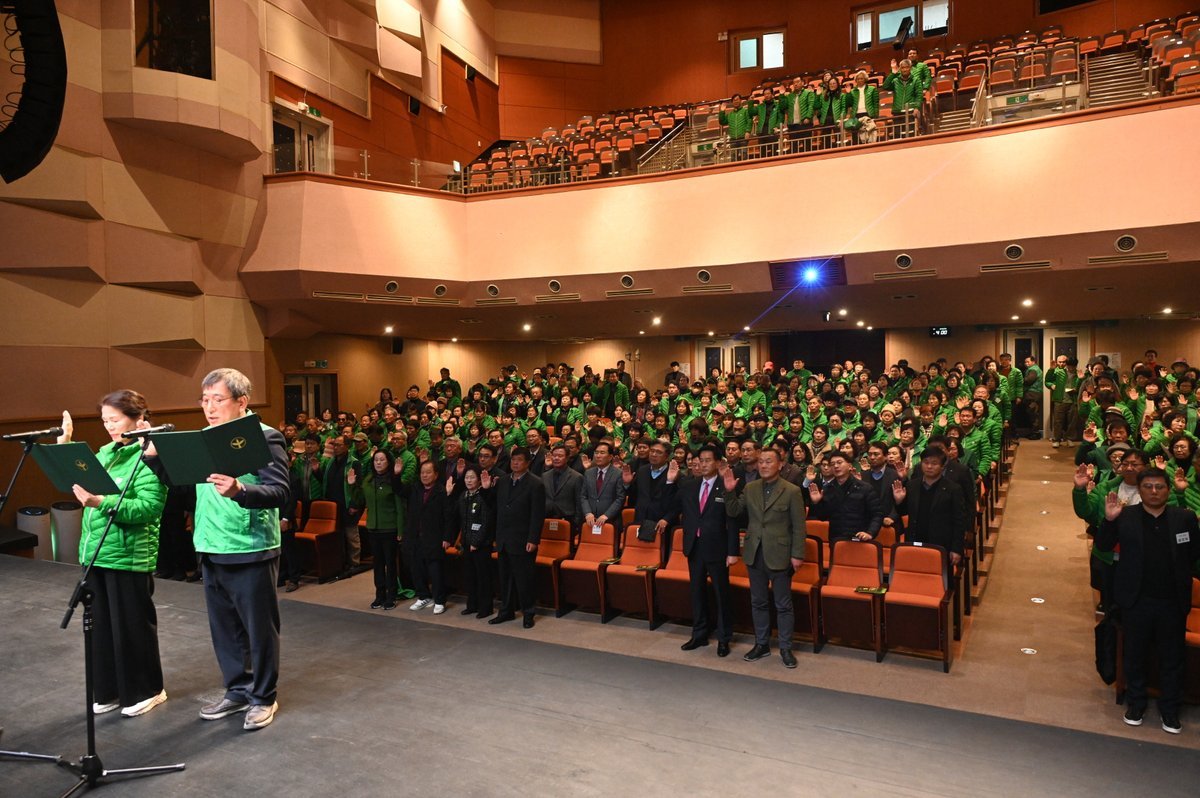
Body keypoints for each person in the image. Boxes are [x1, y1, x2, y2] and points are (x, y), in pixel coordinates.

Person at [151, 368, 290, 731]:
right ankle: (238, 690)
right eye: (205, 400)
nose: (209, 408)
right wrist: (154, 459)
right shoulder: (204, 440)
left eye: (218, 399)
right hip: (211, 546)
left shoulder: (265, 437)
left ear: (242, 401)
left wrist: (241, 491)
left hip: (251, 547)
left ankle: (263, 697)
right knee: (225, 630)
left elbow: (280, 491)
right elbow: (184, 489)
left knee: (258, 630)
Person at [57, 392, 168, 718]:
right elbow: (77, 483)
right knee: (101, 629)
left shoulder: (149, 455)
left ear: (138, 419)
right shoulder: (105, 453)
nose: (109, 426)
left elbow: (149, 507)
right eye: (105, 420)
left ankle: (148, 690)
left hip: (129, 556)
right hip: (96, 552)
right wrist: (65, 444)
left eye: (115, 419)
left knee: (132, 628)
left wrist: (100, 502)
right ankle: (109, 690)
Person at [1097, 469, 1200, 734]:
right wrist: (1109, 521)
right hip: (1136, 600)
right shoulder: (1125, 516)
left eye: (1159, 487)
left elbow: (1193, 554)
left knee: (1172, 658)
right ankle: (1136, 704)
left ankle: (1170, 710)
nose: (1154, 491)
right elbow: (1104, 547)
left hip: (1172, 602)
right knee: (1135, 654)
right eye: (1148, 486)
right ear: (1140, 490)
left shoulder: (1184, 518)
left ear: (1168, 490)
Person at [724, 447, 807, 668]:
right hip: (754, 552)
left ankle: (785, 648)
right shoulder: (750, 487)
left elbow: (799, 526)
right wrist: (729, 491)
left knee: (783, 604)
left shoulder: (791, 490)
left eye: (768, 461)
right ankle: (761, 644)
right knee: (758, 602)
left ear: (780, 464)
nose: (763, 465)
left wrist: (797, 554)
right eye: (760, 461)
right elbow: (734, 512)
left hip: (780, 554)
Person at [673, 445, 739, 657]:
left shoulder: (725, 485)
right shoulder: (690, 486)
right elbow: (672, 506)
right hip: (694, 546)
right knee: (697, 592)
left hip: (718, 547)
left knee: (721, 593)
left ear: (719, 463)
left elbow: (732, 521)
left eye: (708, 460)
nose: (703, 464)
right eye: (700, 460)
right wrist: (669, 482)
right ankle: (699, 634)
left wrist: (732, 551)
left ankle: (723, 638)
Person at [484, 447, 546, 628]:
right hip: (504, 538)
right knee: (505, 579)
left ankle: (528, 613)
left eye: (519, 460)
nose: (515, 463)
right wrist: (486, 490)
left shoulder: (536, 483)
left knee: (524, 579)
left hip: (523, 539)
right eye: (513, 460)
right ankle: (506, 611)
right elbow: (495, 508)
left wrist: (533, 539)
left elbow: (537, 515)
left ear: (527, 463)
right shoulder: (503, 481)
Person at [348, 449, 406, 610]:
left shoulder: (393, 480)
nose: (378, 463)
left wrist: (400, 531)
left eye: (382, 460)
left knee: (390, 564)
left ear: (389, 462)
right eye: (376, 460)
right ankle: (379, 595)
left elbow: (400, 508)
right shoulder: (368, 480)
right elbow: (359, 499)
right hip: (373, 528)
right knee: (378, 564)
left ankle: (391, 595)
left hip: (390, 528)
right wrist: (352, 486)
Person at [890, 448, 967, 564]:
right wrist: (899, 501)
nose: (929, 466)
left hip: (941, 543)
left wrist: (956, 549)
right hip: (914, 540)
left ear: (942, 466)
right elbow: (904, 512)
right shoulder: (912, 485)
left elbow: (959, 521)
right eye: (926, 462)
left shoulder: (953, 489)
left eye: (934, 463)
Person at [405, 459, 455, 613]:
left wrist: (447, 537)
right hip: (416, 536)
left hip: (434, 537)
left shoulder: (442, 491)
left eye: (428, 472)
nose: (424, 475)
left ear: (436, 474)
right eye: (422, 472)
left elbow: (448, 517)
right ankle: (423, 596)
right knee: (417, 568)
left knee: (435, 570)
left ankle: (439, 600)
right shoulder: (416, 489)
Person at [807, 451, 883, 543]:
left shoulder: (865, 488)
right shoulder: (827, 489)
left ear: (850, 466)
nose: (836, 466)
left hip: (860, 537)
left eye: (839, 462)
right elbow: (822, 517)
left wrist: (870, 533)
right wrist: (817, 503)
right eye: (832, 464)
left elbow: (877, 514)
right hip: (836, 539)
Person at [451, 464, 495, 619]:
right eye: (466, 477)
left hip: (481, 544)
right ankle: (472, 605)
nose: (469, 480)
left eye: (472, 477)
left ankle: (486, 608)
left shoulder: (484, 496)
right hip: (466, 542)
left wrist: (476, 542)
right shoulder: (463, 496)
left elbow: (486, 522)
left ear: (479, 480)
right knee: (470, 576)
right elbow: (457, 517)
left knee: (483, 577)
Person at [579, 441, 626, 533]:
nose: (598, 456)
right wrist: (588, 513)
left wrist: (606, 515)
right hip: (590, 521)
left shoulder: (618, 473)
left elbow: (620, 498)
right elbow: (583, 496)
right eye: (596, 453)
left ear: (610, 457)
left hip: (611, 521)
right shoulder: (588, 473)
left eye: (602, 453)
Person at [543, 442, 582, 533]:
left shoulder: (576, 477)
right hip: (547, 517)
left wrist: (576, 522)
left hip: (568, 519)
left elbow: (579, 502)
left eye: (560, 456)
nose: (556, 458)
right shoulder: (545, 476)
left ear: (567, 458)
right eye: (554, 456)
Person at [718, 93, 755, 161]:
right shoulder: (730, 114)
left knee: (744, 157)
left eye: (737, 99)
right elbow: (722, 122)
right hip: (733, 139)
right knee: (733, 159)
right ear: (732, 102)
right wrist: (722, 111)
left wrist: (748, 131)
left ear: (741, 101)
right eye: (734, 100)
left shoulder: (745, 111)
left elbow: (750, 121)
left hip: (743, 138)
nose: (736, 101)